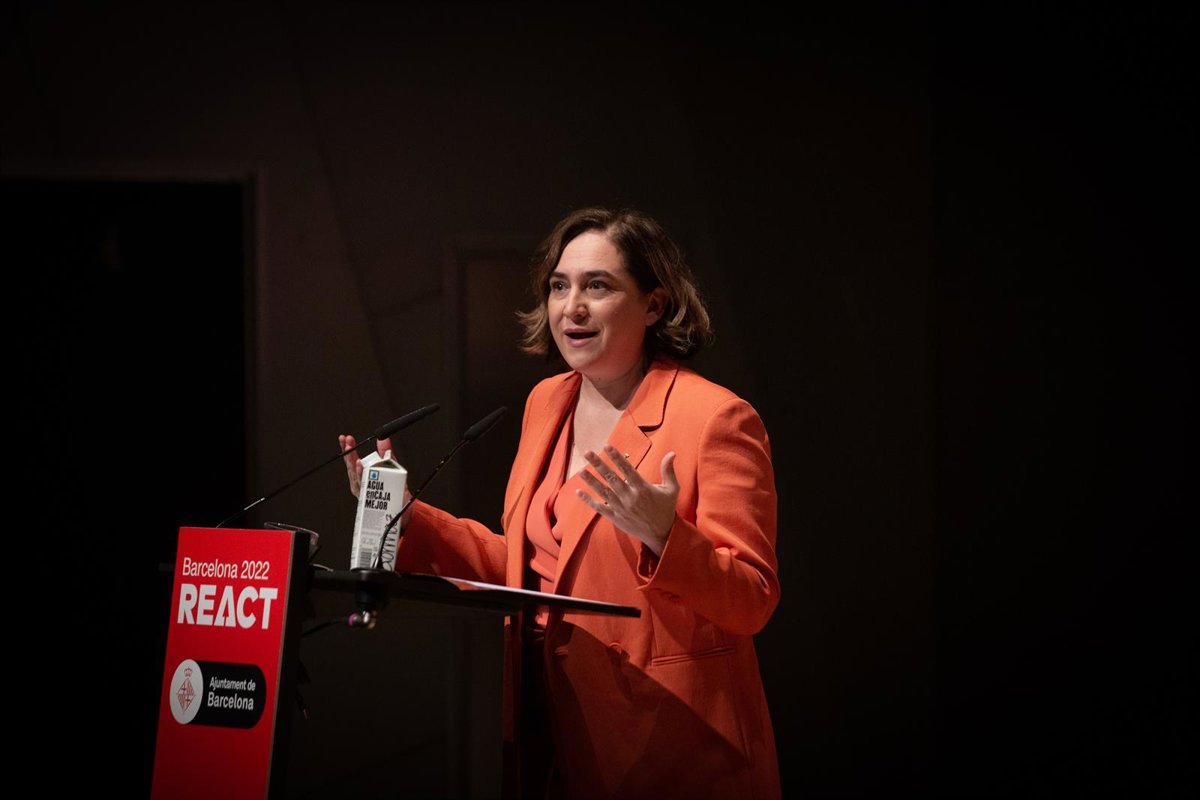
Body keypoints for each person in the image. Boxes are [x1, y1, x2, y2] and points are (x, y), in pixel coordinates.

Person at [339, 208, 780, 799]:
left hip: (668, 744)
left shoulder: (715, 418)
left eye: (597, 286)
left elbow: (752, 599)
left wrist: (666, 536)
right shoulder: (547, 402)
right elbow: (531, 569)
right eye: (559, 286)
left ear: (654, 304)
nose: (571, 307)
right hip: (552, 726)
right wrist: (404, 516)